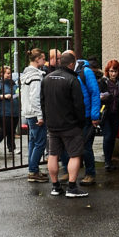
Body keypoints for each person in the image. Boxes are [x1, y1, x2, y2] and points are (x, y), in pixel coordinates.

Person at [41, 50, 88, 198]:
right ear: (72, 64)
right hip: (70, 125)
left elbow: (42, 102)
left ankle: (55, 187)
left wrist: (47, 119)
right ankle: (72, 188)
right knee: (75, 155)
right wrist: (80, 123)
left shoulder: (46, 79)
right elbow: (79, 105)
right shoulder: (72, 79)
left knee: (53, 155)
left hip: (52, 125)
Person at [57, 52, 102, 186]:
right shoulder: (66, 71)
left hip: (86, 115)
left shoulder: (86, 72)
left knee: (86, 146)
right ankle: (67, 171)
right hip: (70, 116)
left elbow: (95, 93)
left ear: (73, 61)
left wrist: (95, 115)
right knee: (65, 144)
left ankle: (90, 173)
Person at [21, 48, 48, 182]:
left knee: (33, 141)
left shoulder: (26, 74)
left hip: (28, 112)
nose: (45, 61)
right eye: (43, 58)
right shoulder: (36, 77)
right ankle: (33, 171)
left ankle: (34, 169)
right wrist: (40, 116)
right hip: (34, 113)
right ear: (37, 59)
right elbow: (35, 97)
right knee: (40, 143)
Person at [98, 59, 119, 171]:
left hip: (115, 112)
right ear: (107, 71)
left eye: (115, 71)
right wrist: (104, 96)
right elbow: (98, 96)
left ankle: (109, 160)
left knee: (113, 137)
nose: (113, 74)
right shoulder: (102, 82)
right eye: (111, 71)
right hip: (105, 112)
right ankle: (107, 162)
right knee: (108, 136)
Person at [0, 65, 20, 156]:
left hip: (14, 111)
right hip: (4, 111)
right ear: (2, 74)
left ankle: (11, 148)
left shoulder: (14, 83)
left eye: (10, 73)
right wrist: (4, 96)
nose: (9, 75)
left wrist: (18, 94)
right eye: (7, 73)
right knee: (5, 130)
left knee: (12, 130)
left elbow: (17, 93)